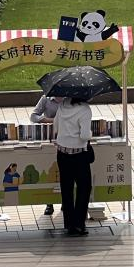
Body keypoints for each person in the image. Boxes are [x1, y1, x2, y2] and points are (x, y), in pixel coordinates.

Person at [54, 96, 94, 237]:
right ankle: (79, 224)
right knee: (84, 188)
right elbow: (85, 136)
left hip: (62, 153)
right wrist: (91, 133)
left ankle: (69, 225)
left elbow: (56, 126)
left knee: (67, 189)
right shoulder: (85, 109)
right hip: (79, 155)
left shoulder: (62, 105)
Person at [29, 89, 62, 216]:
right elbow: (33, 116)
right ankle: (49, 203)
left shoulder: (69, 99)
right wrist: (48, 120)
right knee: (50, 170)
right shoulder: (46, 99)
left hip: (66, 138)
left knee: (64, 171)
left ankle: (65, 201)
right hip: (49, 138)